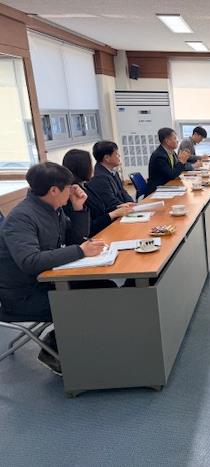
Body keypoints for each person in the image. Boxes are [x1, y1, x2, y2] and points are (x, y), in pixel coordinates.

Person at [0, 162, 105, 375]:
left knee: (104, 286)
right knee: (88, 300)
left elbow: (74, 240)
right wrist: (80, 251)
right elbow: (30, 261)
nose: (73, 191)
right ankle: (53, 348)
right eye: (69, 188)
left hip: (48, 281)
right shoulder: (21, 218)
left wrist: (78, 208)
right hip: (22, 296)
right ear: (54, 190)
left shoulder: (51, 209)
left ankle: (80, 343)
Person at [62, 149, 134, 235]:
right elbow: (89, 226)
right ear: (82, 168)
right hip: (96, 235)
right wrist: (113, 214)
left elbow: (100, 210)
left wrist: (118, 207)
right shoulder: (74, 193)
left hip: (104, 230)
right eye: (90, 164)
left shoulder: (85, 185)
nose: (93, 168)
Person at [88, 140, 135, 210]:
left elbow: (122, 191)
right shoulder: (99, 178)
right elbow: (111, 202)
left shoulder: (113, 171)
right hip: (115, 212)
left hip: (124, 208)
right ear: (107, 158)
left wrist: (132, 204)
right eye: (116, 154)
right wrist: (127, 207)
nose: (119, 156)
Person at [146, 127, 193, 195]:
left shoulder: (172, 152)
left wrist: (183, 161)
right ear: (167, 141)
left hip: (168, 186)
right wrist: (182, 161)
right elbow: (172, 175)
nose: (177, 141)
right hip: (157, 190)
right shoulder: (159, 156)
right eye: (175, 138)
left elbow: (177, 169)